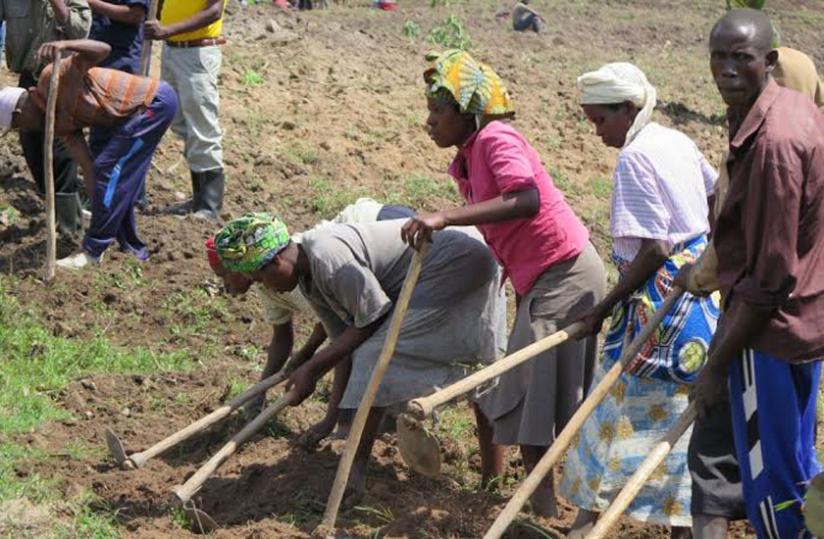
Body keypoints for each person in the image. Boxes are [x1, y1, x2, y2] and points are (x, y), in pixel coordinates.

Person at [401, 49, 606, 515]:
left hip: (566, 273)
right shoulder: (469, 157)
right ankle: (546, 504)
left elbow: (527, 199)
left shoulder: (497, 138)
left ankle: (545, 510)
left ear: (467, 112)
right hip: (545, 278)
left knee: (532, 394)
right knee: (530, 393)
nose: (428, 122)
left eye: (438, 111)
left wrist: (445, 218)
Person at [214, 213, 508, 503]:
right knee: (374, 354)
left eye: (261, 279)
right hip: (441, 267)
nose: (266, 287)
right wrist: (313, 380)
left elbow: (370, 320)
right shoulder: (308, 280)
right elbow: (343, 342)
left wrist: (313, 368)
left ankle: (354, 475)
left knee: (386, 355)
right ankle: (486, 484)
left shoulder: (328, 258)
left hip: (460, 261)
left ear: (276, 261)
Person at [557, 62, 720, 539]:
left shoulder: (634, 158)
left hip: (659, 309)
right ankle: (670, 528)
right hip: (700, 305)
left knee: (615, 411)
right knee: (679, 423)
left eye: (600, 121)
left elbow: (653, 249)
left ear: (627, 110)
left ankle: (588, 524)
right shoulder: (675, 140)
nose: (597, 132)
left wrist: (602, 309)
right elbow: (716, 200)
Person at [677, 44, 824, 539]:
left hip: (768, 332)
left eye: (743, 60)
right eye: (718, 58)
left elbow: (770, 273)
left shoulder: (774, 147)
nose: (727, 73)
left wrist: (717, 365)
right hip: (806, 324)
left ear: (769, 66)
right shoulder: (809, 122)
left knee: (772, 485)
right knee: (796, 463)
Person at [205, 198, 417, 445]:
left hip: (385, 227)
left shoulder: (298, 270)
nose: (226, 286)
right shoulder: (268, 280)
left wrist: (312, 366)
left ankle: (381, 422)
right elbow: (285, 338)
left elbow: (346, 330)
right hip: (362, 255)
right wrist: (261, 390)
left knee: (378, 339)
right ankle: (377, 424)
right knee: (367, 336)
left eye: (226, 276)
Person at [0, 39, 177, 269]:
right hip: (130, 116)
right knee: (111, 179)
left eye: (20, 124)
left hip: (152, 104)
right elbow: (88, 168)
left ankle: (93, 250)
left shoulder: (53, 77)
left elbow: (104, 49)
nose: (26, 130)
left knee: (110, 169)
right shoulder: (60, 125)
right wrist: (100, 205)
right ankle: (130, 247)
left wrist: (66, 45)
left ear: (20, 111)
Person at [0, 0, 91, 237]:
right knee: (31, 144)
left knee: (60, 152)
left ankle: (70, 228)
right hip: (30, 76)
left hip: (62, 79)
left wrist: (58, 5)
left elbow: (81, 30)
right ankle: (56, 210)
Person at [145, 0, 226, 221]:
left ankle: (209, 205)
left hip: (197, 52)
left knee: (202, 127)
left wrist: (166, 29)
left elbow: (213, 12)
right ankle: (198, 198)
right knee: (180, 122)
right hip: (172, 50)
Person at [88, 0, 148, 207]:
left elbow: (135, 15)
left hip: (120, 59)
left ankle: (129, 194)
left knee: (122, 129)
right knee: (99, 126)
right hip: (99, 57)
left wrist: (91, 3)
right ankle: (102, 192)